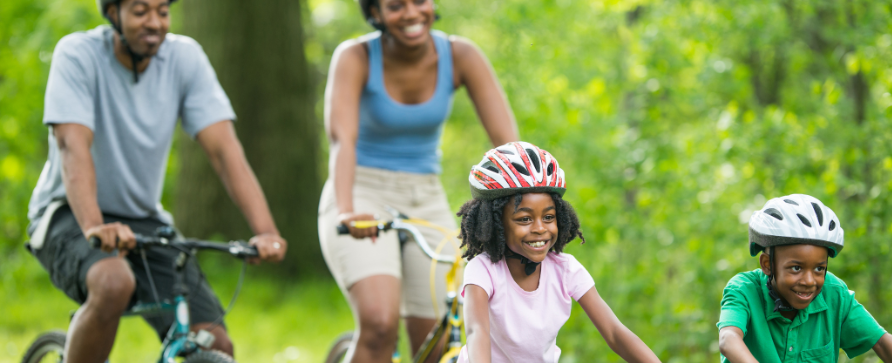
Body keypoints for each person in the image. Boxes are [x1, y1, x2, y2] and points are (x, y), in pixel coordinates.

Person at [25, 0, 287, 361]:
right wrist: (94, 226)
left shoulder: (184, 58)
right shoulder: (78, 54)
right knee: (113, 282)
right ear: (113, 13)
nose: (155, 22)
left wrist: (266, 231)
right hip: (69, 212)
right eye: (140, 11)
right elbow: (72, 146)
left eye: (162, 11)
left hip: (143, 218)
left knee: (215, 344)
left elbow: (225, 151)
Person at [317, 0, 518, 361]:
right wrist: (346, 211)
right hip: (360, 190)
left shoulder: (460, 55)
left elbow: (508, 144)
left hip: (425, 195)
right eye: (395, 6)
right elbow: (341, 141)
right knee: (380, 324)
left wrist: (525, 205)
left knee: (441, 335)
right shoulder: (356, 57)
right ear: (375, 13)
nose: (411, 13)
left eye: (419, 1)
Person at [456, 142, 662, 363]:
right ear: (495, 224)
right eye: (524, 219)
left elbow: (614, 332)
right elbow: (477, 332)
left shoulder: (565, 270)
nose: (540, 228)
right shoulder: (483, 271)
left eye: (548, 217)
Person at [716, 194, 892, 362]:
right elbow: (728, 338)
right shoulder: (743, 290)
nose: (810, 281)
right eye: (796, 268)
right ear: (768, 265)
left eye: (819, 268)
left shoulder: (834, 294)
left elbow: (881, 342)